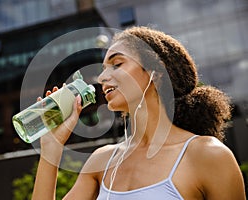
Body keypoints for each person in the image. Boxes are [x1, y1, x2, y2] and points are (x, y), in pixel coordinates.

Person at [32, 26, 246, 199]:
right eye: (103, 69)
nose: (102, 78)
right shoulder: (102, 161)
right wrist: (51, 147)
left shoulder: (207, 155)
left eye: (117, 64)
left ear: (155, 72)